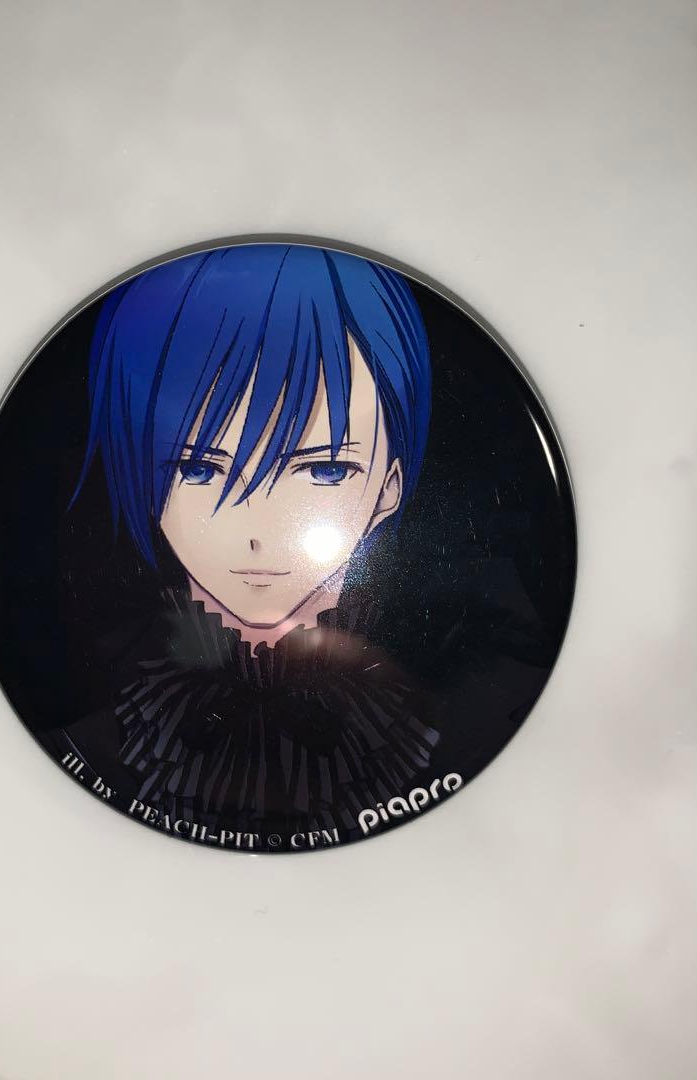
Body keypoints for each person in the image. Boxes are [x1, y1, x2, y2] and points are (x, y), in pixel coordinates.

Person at [43, 244, 442, 835]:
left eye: (325, 469)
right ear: (145, 481)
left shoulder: (450, 721)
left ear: (390, 487)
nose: (257, 532)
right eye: (199, 468)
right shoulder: (86, 730)